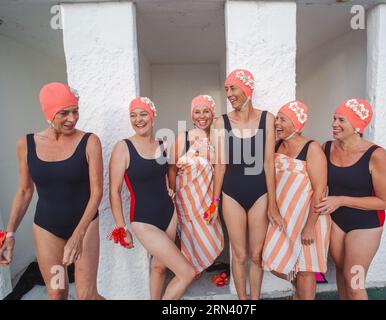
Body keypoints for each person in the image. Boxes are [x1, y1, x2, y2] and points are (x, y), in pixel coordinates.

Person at [0, 82, 104, 300]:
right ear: (49, 113)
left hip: (85, 226)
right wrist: (9, 234)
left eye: (75, 111)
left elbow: (97, 192)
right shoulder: (26, 144)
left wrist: (77, 235)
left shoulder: (90, 141)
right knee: (57, 292)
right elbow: (25, 191)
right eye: (64, 113)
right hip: (47, 230)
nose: (72, 119)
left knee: (86, 296)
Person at [109, 96, 195, 300]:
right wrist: (121, 228)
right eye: (133, 115)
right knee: (187, 273)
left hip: (168, 214)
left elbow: (165, 175)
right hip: (143, 219)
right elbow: (114, 190)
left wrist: (170, 188)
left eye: (143, 114)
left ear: (153, 117)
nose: (138, 119)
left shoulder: (163, 144)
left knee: (159, 267)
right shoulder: (123, 148)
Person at [316, 99, 386, 300]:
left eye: (341, 120)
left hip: (366, 225)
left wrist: (341, 200)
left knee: (355, 282)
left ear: (358, 126)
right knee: (342, 276)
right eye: (334, 118)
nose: (334, 124)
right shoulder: (326, 148)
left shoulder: (376, 155)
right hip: (337, 222)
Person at [212, 69, 279, 299]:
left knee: (256, 254)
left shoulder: (267, 119)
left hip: (260, 193)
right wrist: (214, 201)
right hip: (231, 193)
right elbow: (220, 166)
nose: (229, 94)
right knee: (238, 255)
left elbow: (269, 163)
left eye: (233, 88)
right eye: (226, 89)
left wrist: (273, 203)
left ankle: (254, 300)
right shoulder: (220, 122)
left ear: (247, 89)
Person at [262, 101, 331, 300]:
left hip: (309, 217)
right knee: (272, 260)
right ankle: (299, 292)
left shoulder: (312, 148)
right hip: (283, 216)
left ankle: (303, 293)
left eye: (283, 119)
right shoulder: (275, 145)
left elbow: (320, 190)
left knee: (306, 270)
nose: (277, 122)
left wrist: (310, 226)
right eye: (277, 118)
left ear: (297, 124)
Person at [168, 95, 224, 275]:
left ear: (212, 114)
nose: (202, 116)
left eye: (206, 111)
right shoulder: (182, 138)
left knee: (208, 236)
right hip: (184, 197)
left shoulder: (218, 140)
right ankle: (186, 274)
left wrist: (215, 202)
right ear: (192, 116)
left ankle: (199, 267)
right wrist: (172, 195)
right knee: (186, 238)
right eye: (197, 112)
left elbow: (220, 171)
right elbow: (171, 169)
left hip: (207, 199)